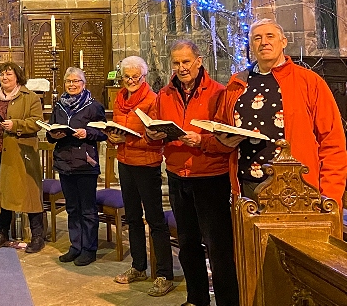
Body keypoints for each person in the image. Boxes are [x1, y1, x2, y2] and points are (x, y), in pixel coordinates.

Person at [211, 18, 347, 205]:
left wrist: (330, 195)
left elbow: (332, 142)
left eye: (270, 36)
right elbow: (220, 129)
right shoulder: (237, 83)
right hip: (248, 186)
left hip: (297, 187)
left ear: (283, 42)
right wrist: (223, 142)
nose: (264, 42)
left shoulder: (309, 82)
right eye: (257, 38)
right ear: (251, 45)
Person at [146, 39, 239, 306]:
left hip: (210, 177)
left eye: (186, 62)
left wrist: (202, 141)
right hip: (178, 176)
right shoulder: (164, 94)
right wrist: (152, 134)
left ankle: (227, 301)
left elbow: (227, 140)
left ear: (199, 61)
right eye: (176, 63)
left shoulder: (218, 93)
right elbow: (154, 131)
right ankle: (196, 298)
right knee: (187, 245)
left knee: (218, 247)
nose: (181, 67)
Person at [108, 56, 174, 296]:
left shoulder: (153, 100)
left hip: (147, 164)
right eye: (127, 76)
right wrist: (113, 137)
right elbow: (117, 127)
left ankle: (164, 273)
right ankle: (138, 267)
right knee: (133, 218)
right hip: (125, 162)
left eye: (136, 77)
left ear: (143, 77)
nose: (131, 81)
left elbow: (157, 136)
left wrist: (129, 139)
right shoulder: (119, 98)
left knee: (155, 219)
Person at [0, 62, 45, 253]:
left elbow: (37, 122)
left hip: (21, 152)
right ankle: (2, 232)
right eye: (1, 75)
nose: (4, 78)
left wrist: (15, 125)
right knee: (2, 192)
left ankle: (37, 235)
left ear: (17, 77)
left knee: (29, 193)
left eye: (8, 74)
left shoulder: (29, 97)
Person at [47, 67, 107, 266]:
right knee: (72, 208)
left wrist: (87, 132)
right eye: (68, 82)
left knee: (87, 209)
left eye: (76, 81)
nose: (72, 85)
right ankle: (75, 246)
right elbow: (50, 129)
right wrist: (52, 135)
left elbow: (103, 132)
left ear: (84, 84)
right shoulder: (59, 106)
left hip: (85, 163)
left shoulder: (93, 106)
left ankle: (89, 249)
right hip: (64, 161)